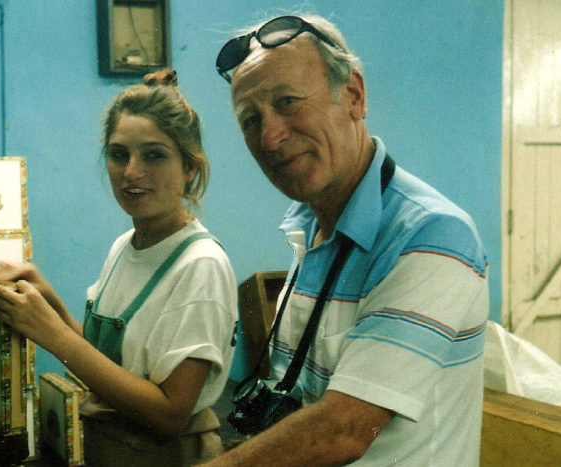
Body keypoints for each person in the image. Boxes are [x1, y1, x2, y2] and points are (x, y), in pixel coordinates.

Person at [205, 14, 489, 466]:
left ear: (354, 96)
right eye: (250, 120)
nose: (270, 137)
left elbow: (348, 429)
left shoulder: (432, 234)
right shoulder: (310, 226)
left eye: (288, 102)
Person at [0, 69, 238, 466]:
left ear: (190, 167)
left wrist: (55, 336)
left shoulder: (201, 265)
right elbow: (112, 367)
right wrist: (51, 304)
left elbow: (169, 415)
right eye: (119, 154)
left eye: (154, 155)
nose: (131, 171)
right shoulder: (125, 247)